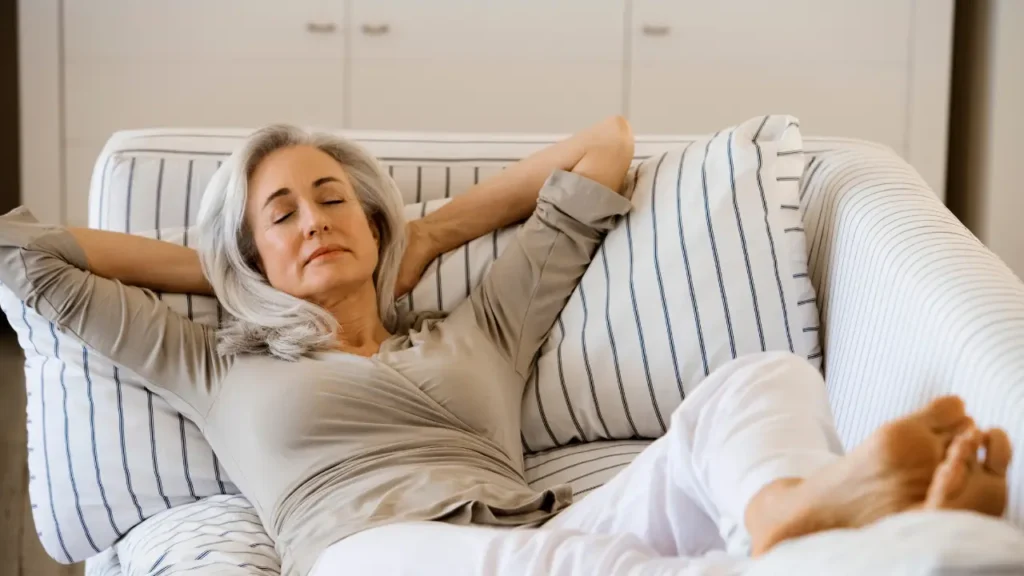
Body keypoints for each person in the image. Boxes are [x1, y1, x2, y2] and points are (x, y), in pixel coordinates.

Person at [0, 117, 1011, 576]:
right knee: (575, 566)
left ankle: (787, 511)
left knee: (759, 380)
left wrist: (428, 235)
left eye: (332, 198)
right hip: (367, 555)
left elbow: (600, 152)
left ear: (373, 217)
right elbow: (26, 252)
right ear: (247, 250)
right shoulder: (217, 363)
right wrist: (227, 274)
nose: (315, 219)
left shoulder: (475, 328)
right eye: (281, 213)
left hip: (537, 521)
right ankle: (868, 548)